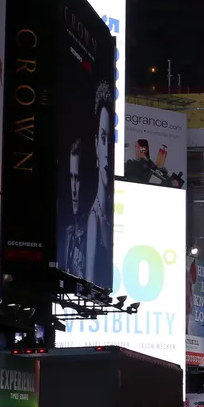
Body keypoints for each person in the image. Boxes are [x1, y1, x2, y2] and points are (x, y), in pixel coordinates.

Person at [84, 81, 116, 288]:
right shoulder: (93, 220)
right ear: (97, 145)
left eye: (110, 140)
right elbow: (88, 285)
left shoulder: (110, 214)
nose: (107, 151)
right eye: (103, 138)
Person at [61, 138, 86, 279]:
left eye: (78, 179)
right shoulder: (66, 232)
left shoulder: (93, 235)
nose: (74, 189)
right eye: (71, 178)